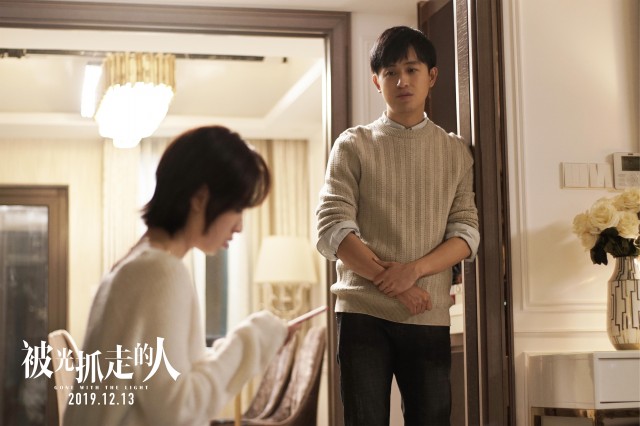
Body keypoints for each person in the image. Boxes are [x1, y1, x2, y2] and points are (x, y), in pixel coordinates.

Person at [64, 126, 297, 426]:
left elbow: (166, 389)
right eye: (237, 208)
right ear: (200, 198)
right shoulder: (161, 272)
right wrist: (255, 337)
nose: (239, 226)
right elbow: (178, 409)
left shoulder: (132, 266)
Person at [316, 26, 479, 426]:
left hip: (428, 312)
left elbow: (466, 232)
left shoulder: (456, 152)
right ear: (377, 81)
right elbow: (333, 228)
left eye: (411, 69)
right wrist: (395, 284)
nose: (402, 80)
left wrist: (414, 272)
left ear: (432, 76)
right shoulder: (353, 144)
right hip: (361, 312)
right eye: (390, 72)